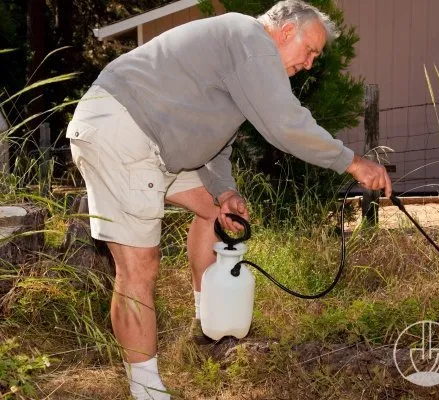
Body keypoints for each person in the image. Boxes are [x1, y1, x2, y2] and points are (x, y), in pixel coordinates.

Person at [66, 0, 392, 398]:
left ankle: (208, 327)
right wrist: (352, 162)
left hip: (154, 141)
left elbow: (216, 142)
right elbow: (285, 125)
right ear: (287, 32)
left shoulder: (239, 52)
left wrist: (225, 191)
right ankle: (146, 389)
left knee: (216, 213)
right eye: (310, 52)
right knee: (139, 268)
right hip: (121, 129)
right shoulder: (249, 39)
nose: (309, 64)